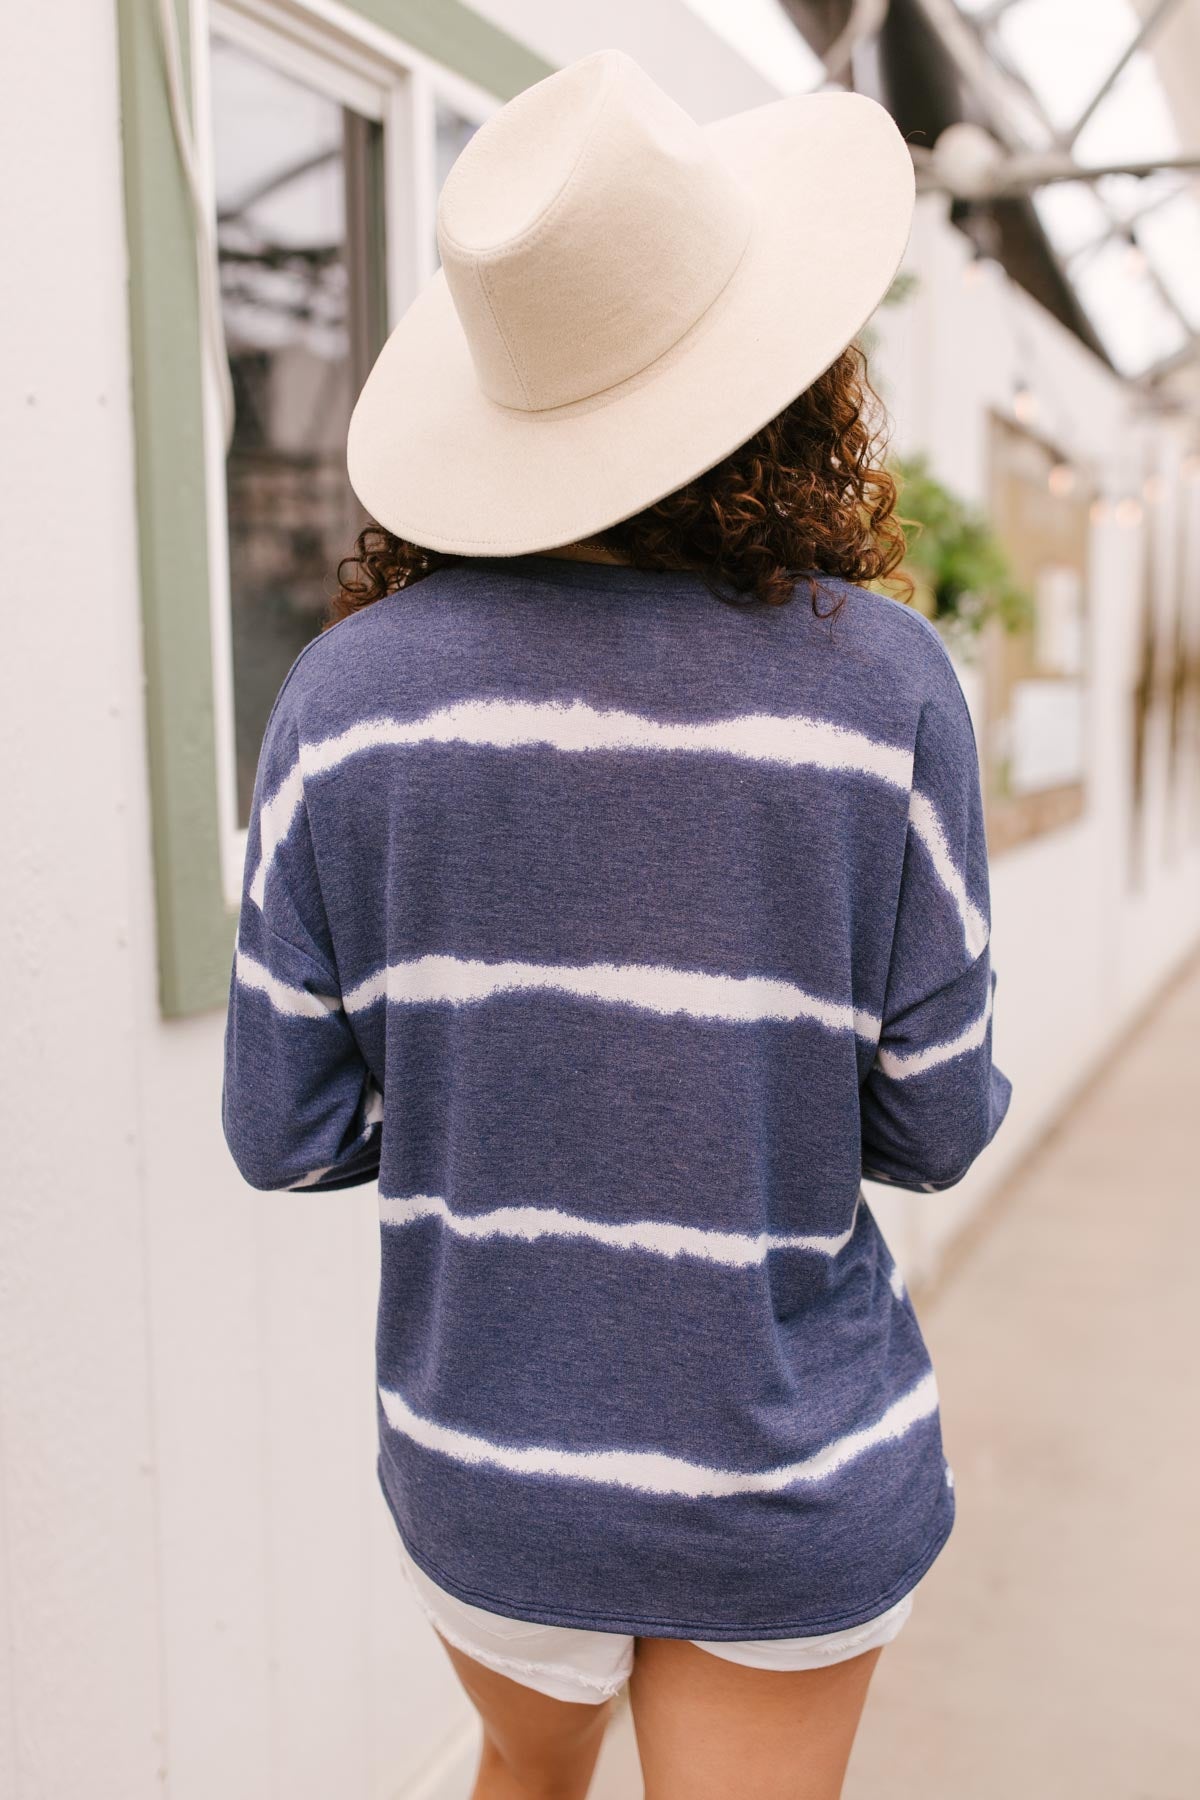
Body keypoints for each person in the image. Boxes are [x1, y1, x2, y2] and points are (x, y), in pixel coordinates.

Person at [221, 46, 1012, 1800]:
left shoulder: (346, 705)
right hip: (780, 1466)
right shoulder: (876, 691)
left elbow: (279, 1130)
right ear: (784, 377)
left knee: (521, 1778)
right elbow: (937, 1121)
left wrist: (507, 1093)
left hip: (485, 1449)